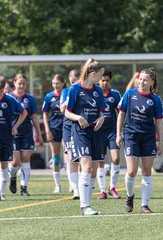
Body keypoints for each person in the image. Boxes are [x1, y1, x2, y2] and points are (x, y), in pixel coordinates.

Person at [116, 68, 163, 214]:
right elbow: (121, 115)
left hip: (148, 138)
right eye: (140, 79)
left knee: (146, 171)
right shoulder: (129, 94)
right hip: (131, 137)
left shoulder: (155, 100)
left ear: (152, 83)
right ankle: (130, 196)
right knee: (131, 171)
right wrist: (118, 134)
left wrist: (160, 142)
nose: (141, 82)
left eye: (145, 79)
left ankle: (144, 205)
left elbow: (159, 122)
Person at [65, 58, 106, 215]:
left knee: (93, 170)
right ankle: (84, 206)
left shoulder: (98, 91)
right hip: (79, 132)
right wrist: (78, 118)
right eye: (100, 76)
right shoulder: (75, 89)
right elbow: (67, 112)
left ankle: (88, 205)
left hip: (95, 132)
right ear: (92, 74)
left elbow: (101, 112)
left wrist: (101, 119)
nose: (101, 80)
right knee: (87, 166)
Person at [0, 76, 27, 201]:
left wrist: (15, 126)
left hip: (7, 137)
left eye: (1, 91)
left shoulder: (10, 100)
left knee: (4, 165)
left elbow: (24, 112)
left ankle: (2, 193)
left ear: (4, 89)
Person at [8, 73, 43, 196]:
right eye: (19, 83)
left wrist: (39, 134)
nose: (21, 86)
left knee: (25, 159)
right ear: (14, 83)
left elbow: (34, 117)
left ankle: (24, 188)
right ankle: (12, 177)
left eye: (23, 83)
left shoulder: (30, 99)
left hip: (27, 132)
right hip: (12, 133)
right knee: (15, 162)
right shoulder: (9, 97)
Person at [96, 70, 122, 200]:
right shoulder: (95, 94)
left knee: (116, 158)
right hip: (98, 132)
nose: (105, 83)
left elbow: (121, 114)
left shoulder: (116, 94)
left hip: (112, 132)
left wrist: (119, 133)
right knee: (100, 161)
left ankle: (112, 187)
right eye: (103, 80)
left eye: (107, 80)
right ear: (98, 80)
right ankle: (102, 191)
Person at [42, 74, 65, 193]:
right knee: (56, 157)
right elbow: (45, 113)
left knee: (70, 157)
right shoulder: (49, 96)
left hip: (67, 128)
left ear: (63, 83)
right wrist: (47, 129)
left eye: (58, 83)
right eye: (54, 83)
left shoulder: (67, 94)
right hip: (54, 129)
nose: (55, 85)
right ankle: (57, 185)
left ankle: (73, 184)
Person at [60, 69, 80, 199]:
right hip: (68, 126)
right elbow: (62, 109)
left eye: (76, 82)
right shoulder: (66, 92)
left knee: (82, 158)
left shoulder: (83, 91)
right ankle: (75, 189)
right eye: (72, 82)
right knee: (71, 157)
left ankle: (83, 185)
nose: (73, 85)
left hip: (81, 127)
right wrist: (69, 99)